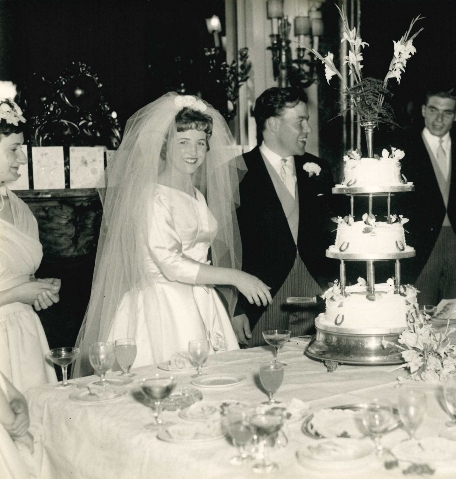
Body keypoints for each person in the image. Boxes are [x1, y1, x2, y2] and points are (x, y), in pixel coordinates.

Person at [75, 93, 271, 374]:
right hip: (163, 307)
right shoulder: (152, 197)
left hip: (201, 300)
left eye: (201, 143)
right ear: (165, 145)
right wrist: (236, 277)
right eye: (183, 142)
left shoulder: (195, 195)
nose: (194, 151)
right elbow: (171, 263)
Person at [232, 87, 336, 347]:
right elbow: (228, 248)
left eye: (307, 121)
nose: (308, 129)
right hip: (262, 302)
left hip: (317, 300)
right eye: (300, 121)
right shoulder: (235, 173)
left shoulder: (319, 169)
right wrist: (235, 309)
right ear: (273, 124)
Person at [397, 86, 456, 304]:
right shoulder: (403, 149)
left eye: (447, 113)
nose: (439, 119)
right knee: (418, 315)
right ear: (424, 110)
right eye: (434, 110)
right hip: (421, 245)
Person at [0, 98, 58, 392]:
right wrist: (16, 293)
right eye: (13, 149)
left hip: (25, 335)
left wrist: (36, 288)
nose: (22, 158)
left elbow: (17, 271)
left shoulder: (19, 207)